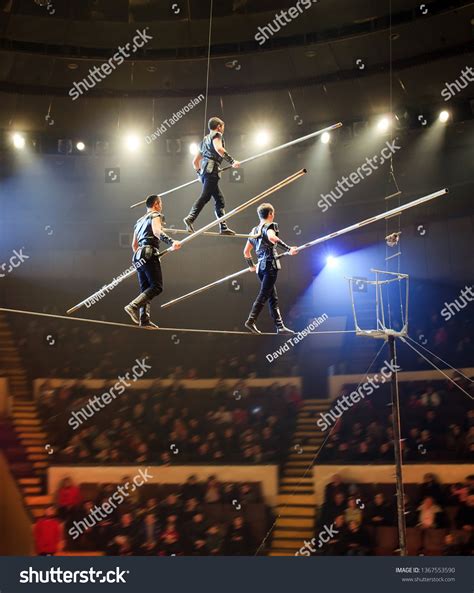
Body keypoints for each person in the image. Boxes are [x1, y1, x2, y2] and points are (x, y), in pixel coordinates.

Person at [125, 195, 181, 328]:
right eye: (160, 203)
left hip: (138, 255)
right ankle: (133, 306)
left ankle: (144, 319)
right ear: (156, 204)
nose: (161, 206)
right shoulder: (156, 215)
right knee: (156, 287)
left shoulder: (138, 222)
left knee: (146, 289)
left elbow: (134, 245)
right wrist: (172, 242)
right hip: (148, 252)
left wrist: (144, 257)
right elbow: (156, 231)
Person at [243, 203, 298, 334]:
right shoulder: (270, 226)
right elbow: (272, 237)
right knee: (264, 294)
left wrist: (251, 266)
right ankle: (251, 320)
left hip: (260, 269)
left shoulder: (254, 231)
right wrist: (289, 249)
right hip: (269, 266)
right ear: (270, 214)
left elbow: (246, 252)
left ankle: (280, 326)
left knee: (272, 297)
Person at [183, 116, 240, 235]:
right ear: (219, 126)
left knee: (219, 200)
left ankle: (223, 226)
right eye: (223, 127)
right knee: (206, 196)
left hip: (206, 171)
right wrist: (232, 161)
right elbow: (219, 149)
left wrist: (200, 174)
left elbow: (195, 162)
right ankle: (190, 218)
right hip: (211, 170)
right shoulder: (217, 135)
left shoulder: (204, 141)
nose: (223, 129)